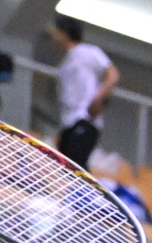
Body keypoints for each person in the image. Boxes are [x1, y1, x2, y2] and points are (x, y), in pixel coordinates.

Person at [51, 16, 118, 168]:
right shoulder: (65, 62)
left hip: (84, 118)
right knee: (66, 168)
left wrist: (98, 97)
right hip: (67, 123)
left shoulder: (88, 52)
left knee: (76, 167)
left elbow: (113, 74)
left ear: (64, 32)